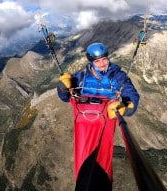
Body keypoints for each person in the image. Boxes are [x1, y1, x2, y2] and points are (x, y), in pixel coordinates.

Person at [57, 42, 140, 190]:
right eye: (97, 61)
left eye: (104, 59)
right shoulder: (81, 78)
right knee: (85, 158)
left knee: (101, 156)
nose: (102, 64)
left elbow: (131, 95)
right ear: (91, 62)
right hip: (85, 123)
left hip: (105, 122)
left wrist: (125, 107)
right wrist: (63, 88)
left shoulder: (118, 76)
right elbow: (64, 97)